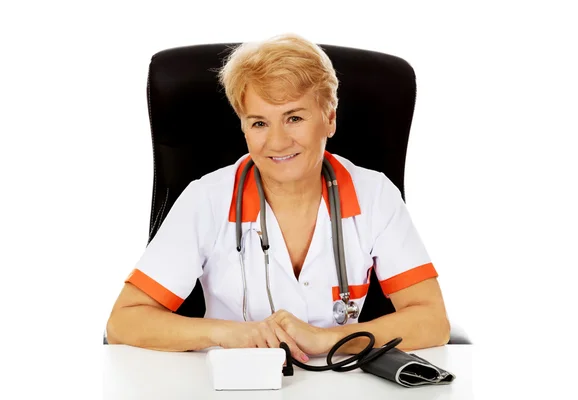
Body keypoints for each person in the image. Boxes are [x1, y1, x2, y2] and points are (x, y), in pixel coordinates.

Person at [106, 33, 450, 361]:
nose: (277, 142)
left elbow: (432, 321)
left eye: (294, 118)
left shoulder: (374, 195)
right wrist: (226, 334)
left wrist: (328, 341)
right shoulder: (206, 200)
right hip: (233, 384)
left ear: (329, 118)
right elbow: (124, 321)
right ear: (242, 126)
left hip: (339, 382)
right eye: (259, 123)